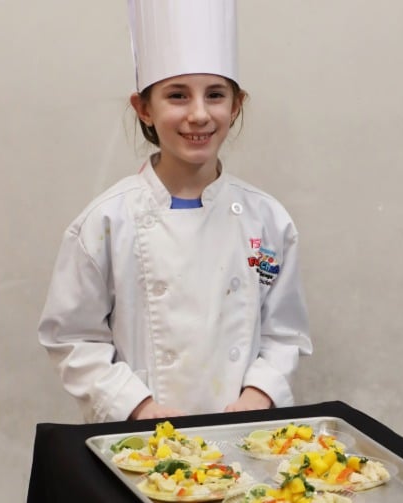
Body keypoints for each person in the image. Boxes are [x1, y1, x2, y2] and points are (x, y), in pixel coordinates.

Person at [38, 0, 312, 422]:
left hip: (243, 431)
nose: (199, 114)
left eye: (215, 95)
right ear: (144, 108)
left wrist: (259, 394)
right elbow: (73, 338)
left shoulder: (269, 220)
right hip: (143, 441)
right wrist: (139, 407)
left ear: (236, 104)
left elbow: (285, 332)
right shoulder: (106, 222)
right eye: (177, 95)